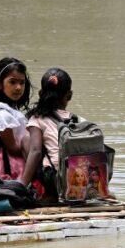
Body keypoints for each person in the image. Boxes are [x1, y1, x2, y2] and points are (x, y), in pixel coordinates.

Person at [21, 67, 75, 203]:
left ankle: (50, 193)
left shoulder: (37, 119)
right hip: (82, 179)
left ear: (40, 94)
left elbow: (36, 152)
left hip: (57, 181)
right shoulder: (77, 120)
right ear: (69, 95)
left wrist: (21, 186)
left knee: (26, 140)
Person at [0, 57, 33, 182]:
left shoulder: (11, 112)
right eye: (12, 82)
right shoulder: (2, 115)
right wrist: (35, 148)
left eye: (22, 83)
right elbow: (13, 149)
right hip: (7, 167)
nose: (18, 87)